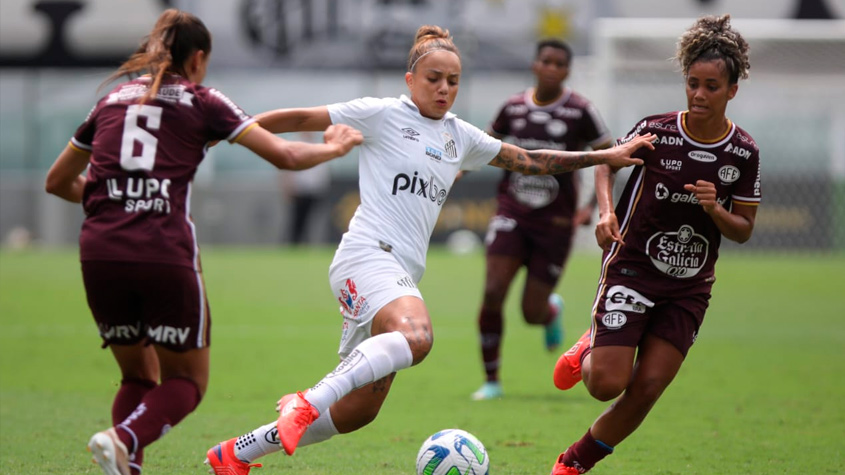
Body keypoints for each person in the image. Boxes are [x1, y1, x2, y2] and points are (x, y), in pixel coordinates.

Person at [204, 24, 655, 475]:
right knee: (418, 337)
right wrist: (230, 129)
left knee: (359, 411)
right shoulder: (379, 113)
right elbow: (300, 118)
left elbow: (532, 159)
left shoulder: (461, 136)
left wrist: (601, 157)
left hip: (398, 272)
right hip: (365, 256)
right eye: (433, 78)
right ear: (410, 79)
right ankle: (305, 402)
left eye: (453, 81)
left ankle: (235, 454)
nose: (444, 89)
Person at [44, 9, 362, 475]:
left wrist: (109, 202)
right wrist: (335, 147)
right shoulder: (202, 101)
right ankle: (123, 438)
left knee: (137, 374)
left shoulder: (112, 101)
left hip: (99, 250)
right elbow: (287, 155)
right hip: (161, 251)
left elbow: (57, 181)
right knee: (187, 382)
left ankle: (125, 463)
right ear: (197, 58)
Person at [549, 14, 760, 474]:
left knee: (648, 387)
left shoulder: (743, 152)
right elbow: (607, 164)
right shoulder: (658, 132)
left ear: (731, 91)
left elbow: (743, 228)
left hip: (689, 287)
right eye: (693, 84)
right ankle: (590, 346)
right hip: (633, 269)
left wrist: (716, 211)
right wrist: (606, 212)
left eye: (711, 86)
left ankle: (573, 463)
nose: (700, 94)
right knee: (606, 384)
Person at [471, 38, 613, 401]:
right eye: (545, 61)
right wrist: (453, 171)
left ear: (567, 71)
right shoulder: (512, 107)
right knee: (491, 292)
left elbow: (610, 157)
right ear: (535, 65)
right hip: (512, 213)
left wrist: (591, 208)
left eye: (559, 64)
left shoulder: (580, 111)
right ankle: (492, 380)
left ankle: (550, 311)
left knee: (530, 313)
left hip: (556, 223)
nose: (551, 68)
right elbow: (483, 146)